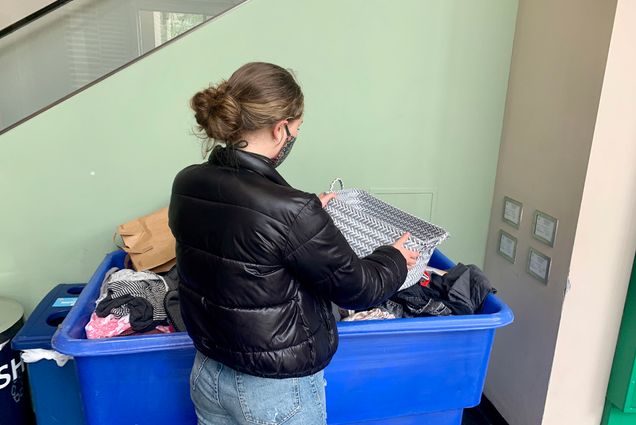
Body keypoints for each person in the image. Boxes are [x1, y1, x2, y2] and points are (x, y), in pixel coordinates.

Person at [168, 62, 419, 425]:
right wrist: (395, 257)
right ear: (281, 128)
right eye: (297, 128)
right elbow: (359, 289)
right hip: (274, 391)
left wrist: (307, 211)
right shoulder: (291, 210)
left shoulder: (188, 183)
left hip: (208, 373)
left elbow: (239, 227)